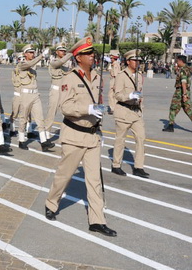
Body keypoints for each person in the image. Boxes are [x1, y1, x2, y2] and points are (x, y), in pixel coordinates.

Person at [44, 36, 116, 237]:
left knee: (94, 181)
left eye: (93, 53)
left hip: (93, 136)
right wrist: (88, 108)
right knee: (64, 175)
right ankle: (51, 202)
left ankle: (97, 220)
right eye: (88, 54)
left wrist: (101, 109)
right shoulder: (69, 78)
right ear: (78, 57)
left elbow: (97, 102)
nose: (93, 56)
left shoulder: (98, 77)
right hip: (74, 135)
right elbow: (65, 107)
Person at [111, 49, 149, 178]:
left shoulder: (138, 75)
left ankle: (139, 166)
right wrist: (130, 95)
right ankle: (116, 165)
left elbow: (140, 94)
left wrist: (141, 108)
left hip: (136, 112)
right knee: (120, 140)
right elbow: (117, 94)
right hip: (123, 111)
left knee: (141, 138)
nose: (137, 62)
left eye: (139, 60)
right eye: (135, 60)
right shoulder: (121, 75)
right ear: (128, 61)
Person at [14, 45, 54, 152]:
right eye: (30, 52)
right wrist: (41, 56)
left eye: (33, 52)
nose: (32, 54)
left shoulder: (33, 65)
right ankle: (21, 140)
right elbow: (30, 63)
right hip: (26, 95)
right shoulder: (22, 64)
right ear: (25, 54)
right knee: (23, 118)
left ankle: (44, 142)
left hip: (35, 94)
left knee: (40, 119)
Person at [163, 55, 192, 135]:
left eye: (177, 61)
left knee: (173, 108)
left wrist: (184, 95)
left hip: (180, 92)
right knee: (187, 109)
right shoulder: (188, 69)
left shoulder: (183, 70)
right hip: (186, 91)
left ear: (181, 61)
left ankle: (171, 126)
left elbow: (183, 82)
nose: (177, 63)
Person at [44, 44, 72, 139]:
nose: (63, 52)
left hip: (64, 91)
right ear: (56, 52)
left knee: (67, 114)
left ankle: (66, 133)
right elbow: (61, 62)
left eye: (64, 51)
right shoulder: (54, 62)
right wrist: (71, 53)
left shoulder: (66, 64)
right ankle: (46, 133)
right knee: (51, 113)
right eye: (61, 51)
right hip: (55, 91)